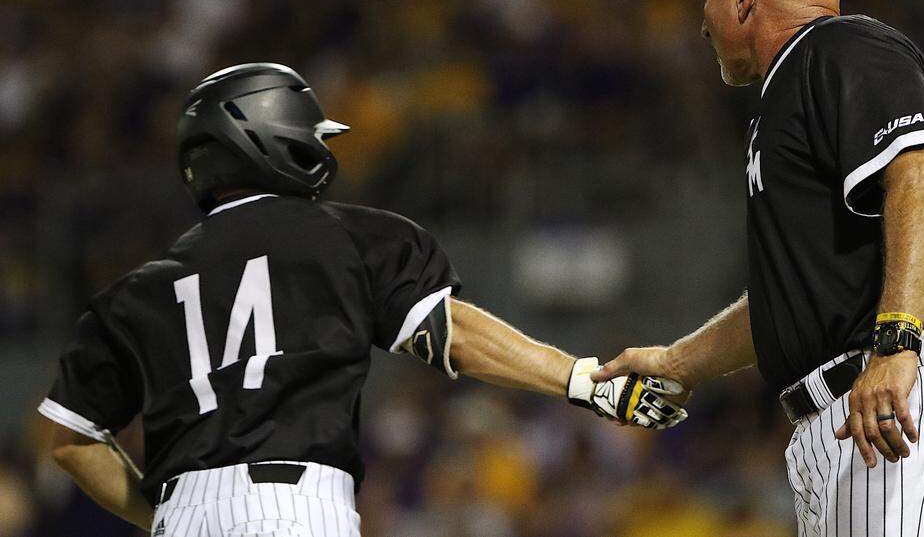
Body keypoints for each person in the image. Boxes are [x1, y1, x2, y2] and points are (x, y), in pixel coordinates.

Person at [38, 63, 687, 537]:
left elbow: (69, 441)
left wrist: (162, 516)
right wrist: (580, 379)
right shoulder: (349, 236)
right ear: (277, 137)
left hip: (181, 515)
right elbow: (450, 332)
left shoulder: (135, 291)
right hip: (295, 510)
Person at [592, 0, 924, 536]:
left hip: (896, 388)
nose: (702, 22)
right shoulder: (789, 90)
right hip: (844, 411)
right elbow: (790, 302)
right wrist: (679, 362)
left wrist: (896, 343)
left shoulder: (840, 47)